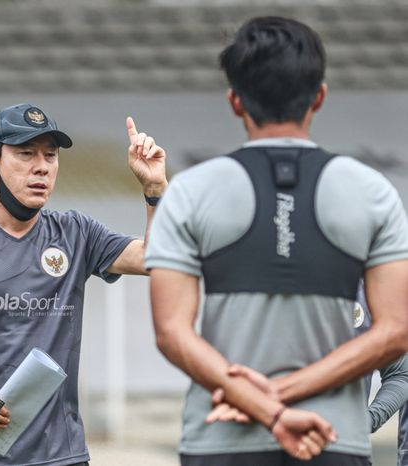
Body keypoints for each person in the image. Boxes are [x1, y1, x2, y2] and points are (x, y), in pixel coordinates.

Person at [147, 16, 408, 466]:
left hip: (220, 438)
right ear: (320, 96)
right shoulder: (373, 192)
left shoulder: (190, 191)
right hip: (333, 439)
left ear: (234, 101)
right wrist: (285, 395)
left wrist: (260, 401)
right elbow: (395, 332)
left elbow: (172, 333)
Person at [0, 103, 167, 466]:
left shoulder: (76, 233)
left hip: (62, 455)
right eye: (25, 154)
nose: (41, 166)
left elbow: (157, 259)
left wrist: (155, 189)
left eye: (50, 156)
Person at [355, 285, 408, 466]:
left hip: (347, 450)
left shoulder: (368, 290)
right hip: (271, 445)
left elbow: (400, 372)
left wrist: (366, 421)